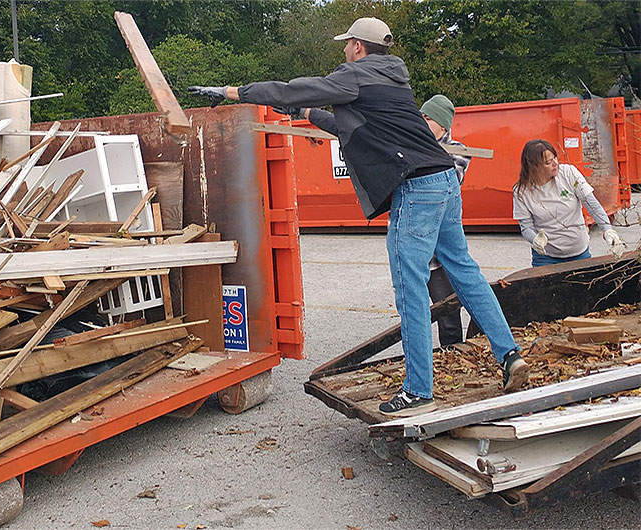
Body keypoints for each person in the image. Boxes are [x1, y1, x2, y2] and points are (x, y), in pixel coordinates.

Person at [188, 16, 528, 417]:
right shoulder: (392, 78)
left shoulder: (354, 75)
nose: (344, 50)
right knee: (465, 273)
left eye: (347, 43)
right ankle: (510, 355)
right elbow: (352, 126)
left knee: (411, 290)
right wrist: (310, 112)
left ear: (358, 47)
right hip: (443, 181)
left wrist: (233, 92)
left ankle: (420, 390)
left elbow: (291, 88)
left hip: (416, 189)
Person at [513, 139, 626, 267]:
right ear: (534, 167)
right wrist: (535, 240)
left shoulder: (569, 173)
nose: (555, 164)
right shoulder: (521, 192)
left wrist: (608, 230)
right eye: (548, 162)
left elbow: (591, 204)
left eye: (555, 158)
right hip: (546, 257)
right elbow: (526, 227)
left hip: (579, 251)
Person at [420, 95, 470, 347]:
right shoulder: (413, 145)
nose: (423, 122)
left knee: (450, 311)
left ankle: (455, 355)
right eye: (422, 117)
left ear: (443, 125)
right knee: (422, 312)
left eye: (428, 118)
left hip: (443, 253)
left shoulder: (458, 151)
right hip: (419, 252)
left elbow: (443, 185)